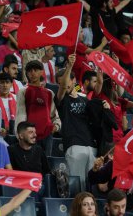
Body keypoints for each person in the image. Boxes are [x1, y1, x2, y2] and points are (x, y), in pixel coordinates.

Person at [56, 54, 101, 191]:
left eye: (65, 80)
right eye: (59, 83)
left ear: (74, 80)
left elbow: (98, 89)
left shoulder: (84, 99)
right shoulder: (61, 100)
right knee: (77, 186)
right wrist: (69, 66)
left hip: (91, 145)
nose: (62, 84)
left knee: (91, 185)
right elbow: (63, 87)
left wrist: (101, 69)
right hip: (74, 145)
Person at [15, 60, 61, 152]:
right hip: (29, 135)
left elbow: (54, 114)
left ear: (42, 72)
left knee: (46, 163)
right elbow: (20, 114)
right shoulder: (23, 91)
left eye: (35, 70)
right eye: (30, 71)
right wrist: (20, 134)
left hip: (47, 134)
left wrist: (56, 126)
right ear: (26, 73)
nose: (32, 73)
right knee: (30, 164)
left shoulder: (49, 93)